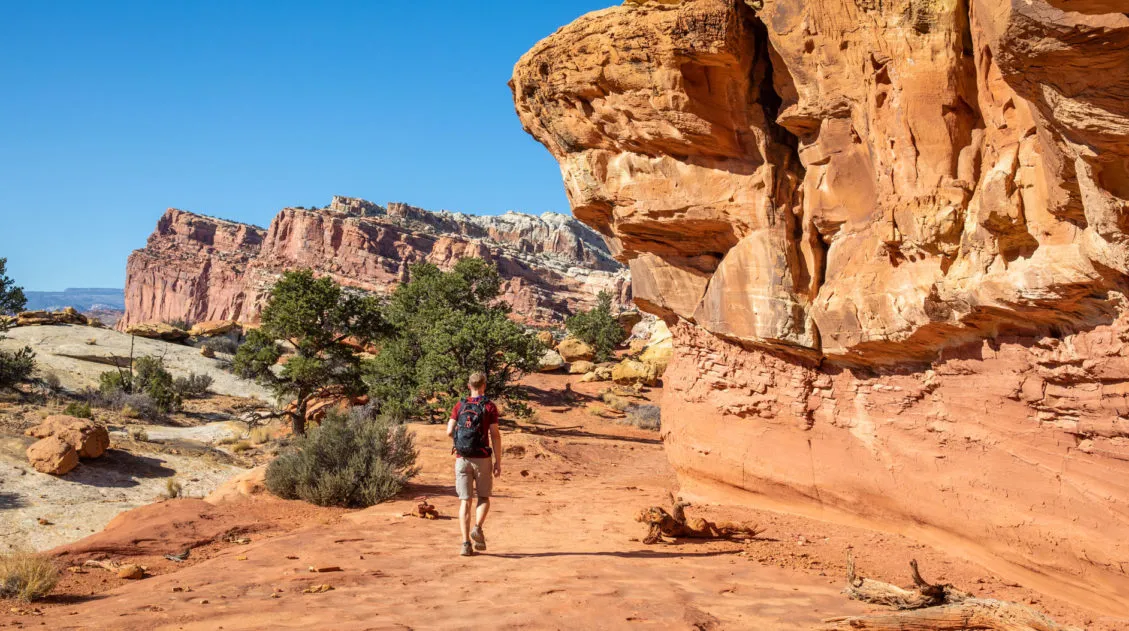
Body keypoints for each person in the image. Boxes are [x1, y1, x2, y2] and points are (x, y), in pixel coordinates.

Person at [447, 372, 502, 557]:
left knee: (465, 501)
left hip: (462, 459)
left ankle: (465, 544)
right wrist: (498, 462)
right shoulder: (489, 407)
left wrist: (459, 440)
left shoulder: (460, 405)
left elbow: (449, 431)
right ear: (484, 385)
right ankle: (477, 528)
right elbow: (495, 435)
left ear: (469, 385)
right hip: (482, 458)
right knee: (484, 497)